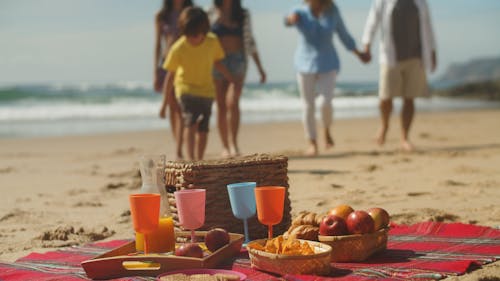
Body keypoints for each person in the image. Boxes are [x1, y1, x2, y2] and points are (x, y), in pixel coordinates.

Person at [285, 0, 367, 156]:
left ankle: (326, 130)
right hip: (304, 62)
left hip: (328, 62)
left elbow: (344, 35)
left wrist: (359, 54)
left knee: (325, 103)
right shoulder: (300, 10)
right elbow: (286, 20)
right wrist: (290, 19)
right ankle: (312, 143)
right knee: (308, 105)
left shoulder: (333, 10)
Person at [159, 7, 234, 160]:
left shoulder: (212, 41)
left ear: (205, 30)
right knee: (190, 123)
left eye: (196, 34)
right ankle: (191, 160)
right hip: (185, 91)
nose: (192, 38)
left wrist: (230, 77)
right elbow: (170, 76)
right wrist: (165, 103)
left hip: (207, 92)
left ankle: (199, 160)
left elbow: (217, 62)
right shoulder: (178, 47)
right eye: (188, 34)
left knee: (204, 128)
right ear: (183, 31)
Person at [361, 0, 437, 151]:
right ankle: (384, 126)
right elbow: (372, 20)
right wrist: (367, 44)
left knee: (409, 98)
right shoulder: (382, 1)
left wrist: (433, 51)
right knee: (385, 98)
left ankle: (405, 138)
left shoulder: (420, 2)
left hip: (416, 56)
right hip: (390, 56)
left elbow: (428, 26)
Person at [211, 0, 267, 158]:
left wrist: (260, 67)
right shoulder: (211, 12)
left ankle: (234, 143)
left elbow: (250, 41)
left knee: (233, 102)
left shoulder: (243, 14)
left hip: (238, 60)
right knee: (221, 105)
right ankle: (225, 147)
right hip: (217, 62)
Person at [153, 0, 194, 160]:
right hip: (167, 63)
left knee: (182, 107)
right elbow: (158, 44)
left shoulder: (191, 12)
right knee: (173, 108)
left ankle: (180, 147)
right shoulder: (161, 16)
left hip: (186, 64)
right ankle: (178, 147)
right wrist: (155, 70)